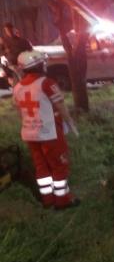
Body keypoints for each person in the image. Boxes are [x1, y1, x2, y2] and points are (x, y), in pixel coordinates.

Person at [13, 50, 79, 209]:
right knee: (59, 166)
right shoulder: (47, 83)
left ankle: (47, 200)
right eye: (43, 62)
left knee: (41, 167)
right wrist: (71, 124)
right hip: (49, 133)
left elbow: (19, 111)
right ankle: (63, 201)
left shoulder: (17, 87)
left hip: (30, 134)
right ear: (38, 65)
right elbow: (61, 106)